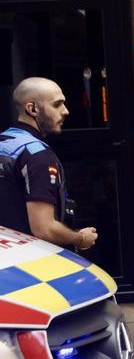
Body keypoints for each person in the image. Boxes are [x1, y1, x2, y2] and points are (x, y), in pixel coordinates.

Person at [0, 77, 97, 250]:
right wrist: (80, 238)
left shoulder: (4, 143)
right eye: (57, 104)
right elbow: (44, 229)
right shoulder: (38, 156)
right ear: (32, 109)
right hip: (29, 260)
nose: (65, 111)